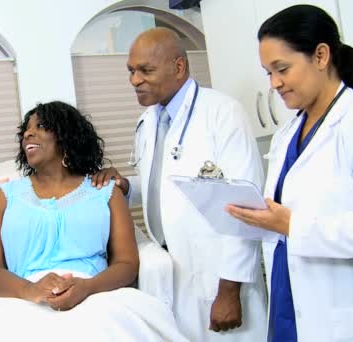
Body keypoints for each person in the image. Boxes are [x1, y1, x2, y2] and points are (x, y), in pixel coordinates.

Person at [0, 101, 186, 341]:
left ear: (65, 136)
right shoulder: (3, 197)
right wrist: (31, 290)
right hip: (22, 301)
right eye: (26, 130)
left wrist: (87, 287)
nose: (28, 134)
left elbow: (127, 264)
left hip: (96, 296)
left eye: (40, 127)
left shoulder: (106, 192)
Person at [226, 4, 353, 342]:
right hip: (291, 297)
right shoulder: (286, 135)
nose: (274, 83)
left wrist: (292, 226)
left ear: (321, 56)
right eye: (268, 73)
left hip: (352, 317)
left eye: (282, 69)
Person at [91, 27, 267, 341]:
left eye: (145, 70)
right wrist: (128, 187)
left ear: (179, 67)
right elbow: (169, 186)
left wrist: (229, 289)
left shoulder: (222, 113)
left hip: (217, 274)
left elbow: (246, 209)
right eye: (131, 71)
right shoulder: (147, 121)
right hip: (171, 271)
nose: (135, 80)